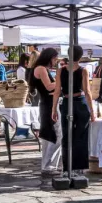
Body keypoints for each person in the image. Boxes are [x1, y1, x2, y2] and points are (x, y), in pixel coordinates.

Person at [58, 45, 92, 183]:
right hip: (80, 102)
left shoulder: (61, 70)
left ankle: (67, 168)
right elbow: (88, 91)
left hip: (66, 102)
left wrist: (54, 108)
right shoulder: (83, 70)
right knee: (81, 135)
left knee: (66, 136)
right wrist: (93, 111)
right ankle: (79, 167)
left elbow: (56, 91)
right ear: (80, 56)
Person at [33, 47, 62, 187]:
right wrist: (63, 81)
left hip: (48, 103)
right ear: (49, 57)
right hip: (48, 104)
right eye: (54, 58)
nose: (55, 61)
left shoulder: (41, 68)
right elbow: (49, 86)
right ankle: (48, 166)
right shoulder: (41, 69)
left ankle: (50, 165)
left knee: (52, 134)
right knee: (54, 135)